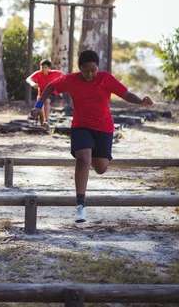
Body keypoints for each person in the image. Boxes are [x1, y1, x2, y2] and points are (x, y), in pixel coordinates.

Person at [31, 49, 153, 224]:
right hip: (81, 126)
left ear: (98, 68)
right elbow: (50, 86)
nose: (90, 74)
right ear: (79, 68)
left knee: (101, 168)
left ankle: (94, 151)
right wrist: (38, 105)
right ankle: (80, 205)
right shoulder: (71, 80)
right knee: (83, 159)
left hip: (103, 127)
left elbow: (125, 94)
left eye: (93, 70)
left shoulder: (105, 79)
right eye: (86, 70)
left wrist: (141, 101)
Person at [26, 59, 63, 130]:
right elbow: (28, 79)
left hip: (51, 93)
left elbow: (64, 75)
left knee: (46, 101)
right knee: (40, 109)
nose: (43, 69)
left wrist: (61, 83)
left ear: (49, 68)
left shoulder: (54, 73)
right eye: (42, 67)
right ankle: (44, 124)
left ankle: (47, 120)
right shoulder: (38, 74)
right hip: (41, 95)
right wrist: (33, 83)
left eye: (45, 67)